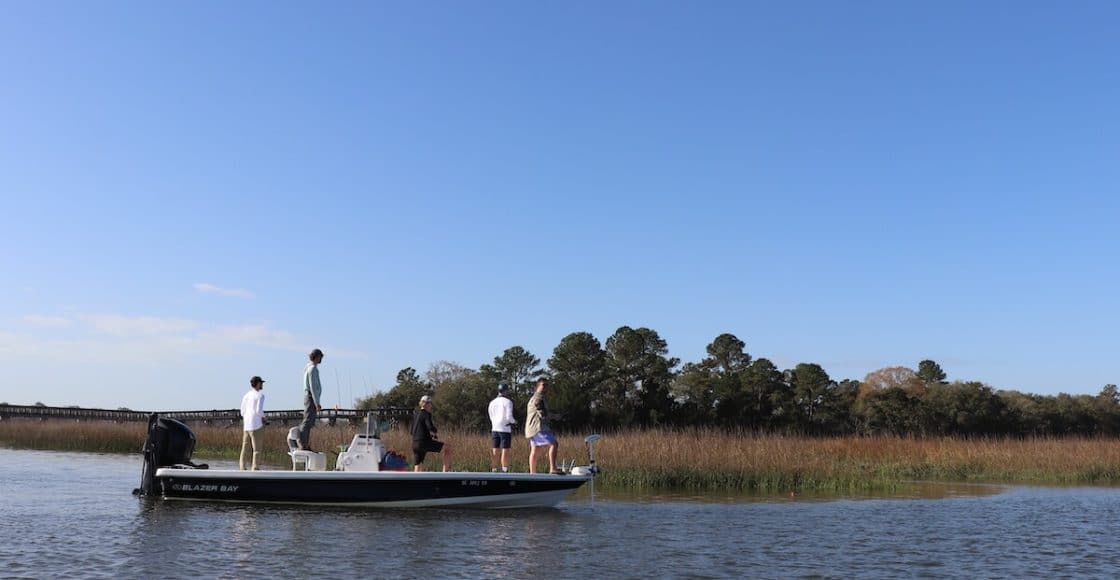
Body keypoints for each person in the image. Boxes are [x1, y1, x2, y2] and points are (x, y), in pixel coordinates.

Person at [525, 377, 561, 474]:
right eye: (543, 385)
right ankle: (553, 468)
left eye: (547, 385)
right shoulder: (538, 398)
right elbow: (543, 414)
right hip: (538, 427)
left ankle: (533, 473)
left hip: (531, 428)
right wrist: (555, 416)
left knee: (535, 449)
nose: (545, 387)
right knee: (554, 444)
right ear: (537, 386)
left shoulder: (536, 397)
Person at [411, 395, 451, 472]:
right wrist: (435, 431)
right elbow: (430, 427)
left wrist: (430, 435)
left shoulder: (415, 415)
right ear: (426, 404)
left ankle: (416, 481)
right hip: (423, 443)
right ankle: (445, 473)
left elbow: (412, 431)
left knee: (418, 464)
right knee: (448, 448)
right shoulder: (426, 414)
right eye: (430, 403)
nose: (431, 405)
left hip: (414, 444)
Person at [298, 348, 324, 451]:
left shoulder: (308, 368)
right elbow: (313, 387)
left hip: (309, 396)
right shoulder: (313, 369)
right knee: (308, 421)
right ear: (317, 357)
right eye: (321, 357)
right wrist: (317, 402)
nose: (321, 359)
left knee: (309, 420)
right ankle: (303, 444)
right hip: (310, 397)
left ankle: (304, 443)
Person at [488, 383, 517, 472]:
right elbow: (509, 417)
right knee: (505, 449)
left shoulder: (492, 402)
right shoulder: (508, 402)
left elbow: (490, 415)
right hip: (505, 428)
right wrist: (514, 422)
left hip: (495, 427)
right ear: (506, 391)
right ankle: (504, 469)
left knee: (495, 449)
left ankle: (494, 469)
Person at [239, 376, 266, 470]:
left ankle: (242, 467)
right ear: (258, 383)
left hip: (246, 425)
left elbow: (242, 411)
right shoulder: (260, 395)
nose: (262, 385)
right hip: (256, 425)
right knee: (256, 449)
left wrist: (247, 418)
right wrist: (264, 418)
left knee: (245, 447)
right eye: (261, 383)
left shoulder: (246, 395)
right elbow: (258, 411)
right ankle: (255, 468)